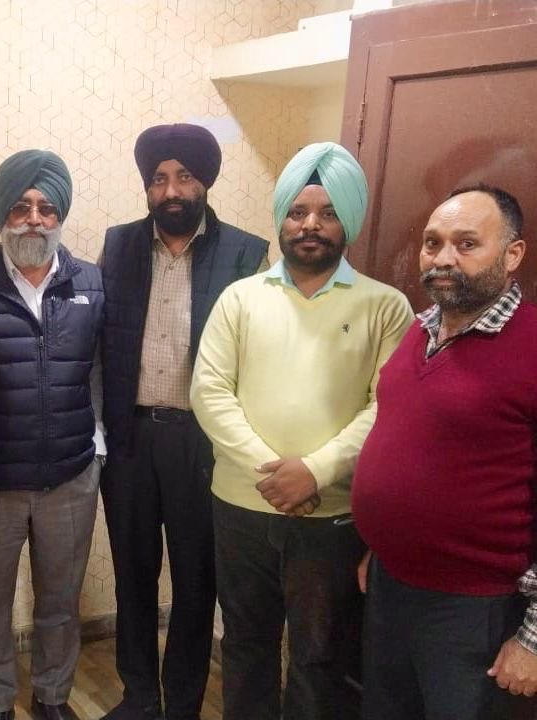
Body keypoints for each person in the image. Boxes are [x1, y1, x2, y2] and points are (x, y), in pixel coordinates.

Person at [189, 141, 413, 720]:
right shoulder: (240, 299)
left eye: (328, 212)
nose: (310, 225)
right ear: (282, 219)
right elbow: (209, 392)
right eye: (298, 212)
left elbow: (389, 407)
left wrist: (314, 471)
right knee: (246, 644)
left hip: (331, 514)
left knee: (319, 656)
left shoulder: (386, 307)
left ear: (349, 222)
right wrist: (274, 474)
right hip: (241, 508)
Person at [98, 123, 267, 720]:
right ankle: (140, 697)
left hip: (204, 443)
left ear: (204, 183)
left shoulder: (246, 253)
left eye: (184, 177)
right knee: (133, 576)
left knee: (198, 582)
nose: (171, 190)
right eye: (159, 179)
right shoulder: (118, 245)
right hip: (129, 438)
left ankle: (184, 705)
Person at [353, 184, 537, 720]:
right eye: (433, 243)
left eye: (467, 243)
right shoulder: (419, 329)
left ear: (513, 254)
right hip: (390, 587)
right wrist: (381, 543)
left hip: (475, 609)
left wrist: (532, 638)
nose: (443, 258)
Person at [0, 150, 103, 720]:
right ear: (2, 214)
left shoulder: (92, 282)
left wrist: (96, 448)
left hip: (70, 476)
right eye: (20, 207)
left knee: (61, 602)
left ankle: (52, 697)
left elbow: (102, 370)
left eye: (47, 208)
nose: (34, 220)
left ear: (61, 215)